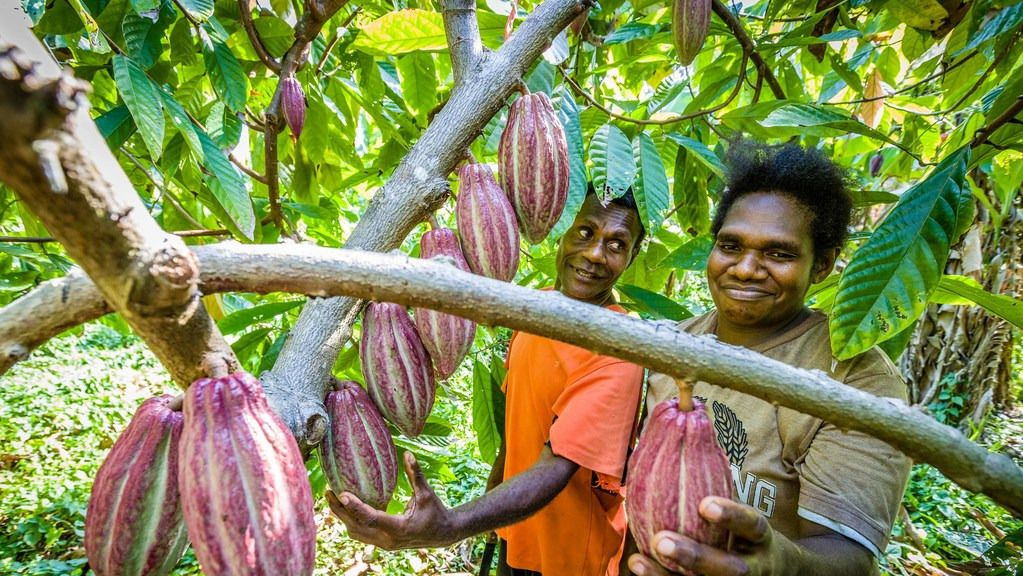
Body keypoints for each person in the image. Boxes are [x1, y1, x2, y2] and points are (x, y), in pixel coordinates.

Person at [329, 186, 648, 576]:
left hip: (572, 557)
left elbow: (558, 464)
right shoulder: (535, 309)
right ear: (564, 230)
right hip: (516, 533)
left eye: (617, 245)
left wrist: (451, 525)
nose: (596, 254)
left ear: (632, 257)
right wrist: (492, 513)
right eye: (585, 232)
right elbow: (519, 427)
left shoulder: (620, 346)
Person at [626, 141, 911, 576]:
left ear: (823, 265)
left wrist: (778, 565)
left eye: (779, 253)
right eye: (731, 245)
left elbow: (847, 556)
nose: (744, 268)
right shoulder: (672, 346)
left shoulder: (860, 381)